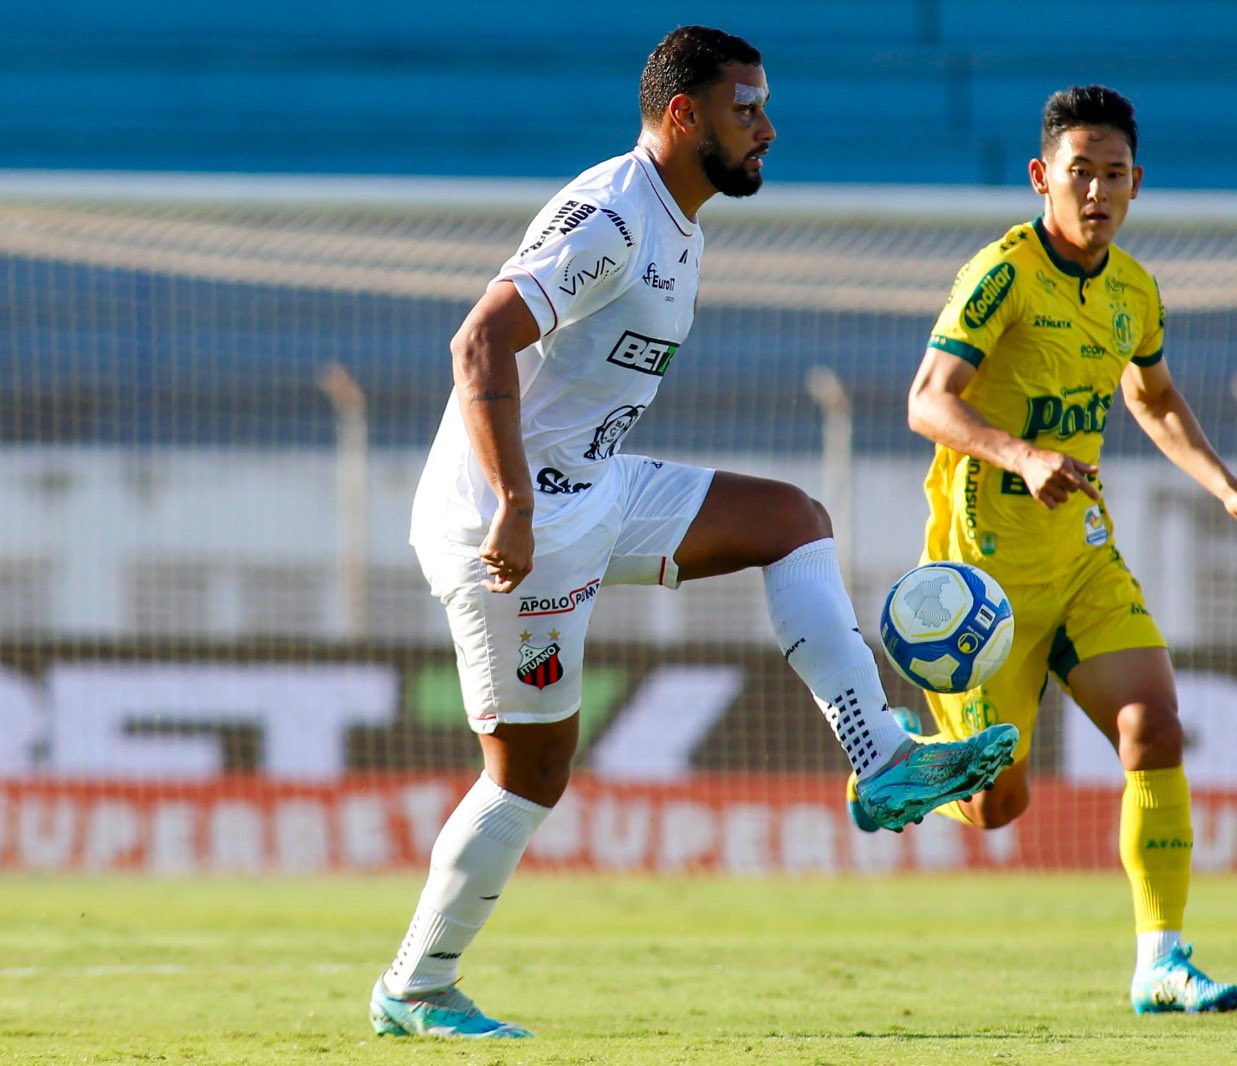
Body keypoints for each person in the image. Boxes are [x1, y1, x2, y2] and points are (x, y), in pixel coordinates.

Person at [369, 26, 1019, 1040]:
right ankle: (413, 987)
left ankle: (880, 755)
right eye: (744, 109)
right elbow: (479, 339)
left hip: (589, 491)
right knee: (530, 775)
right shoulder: (614, 219)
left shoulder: (679, 221)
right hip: (508, 524)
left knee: (788, 520)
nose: (767, 128)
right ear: (683, 115)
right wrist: (513, 504)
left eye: (763, 106)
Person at [846, 85, 1237, 1013]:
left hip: (1086, 554)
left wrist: (1230, 492)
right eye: (1078, 173)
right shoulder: (1001, 273)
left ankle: (1162, 962)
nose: (1095, 191)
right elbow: (925, 400)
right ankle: (906, 763)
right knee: (996, 807)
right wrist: (1020, 456)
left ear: (1137, 183)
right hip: (987, 578)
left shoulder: (1136, 289)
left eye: (1112, 175)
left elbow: (1156, 397)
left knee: (1155, 728)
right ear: (1040, 177)